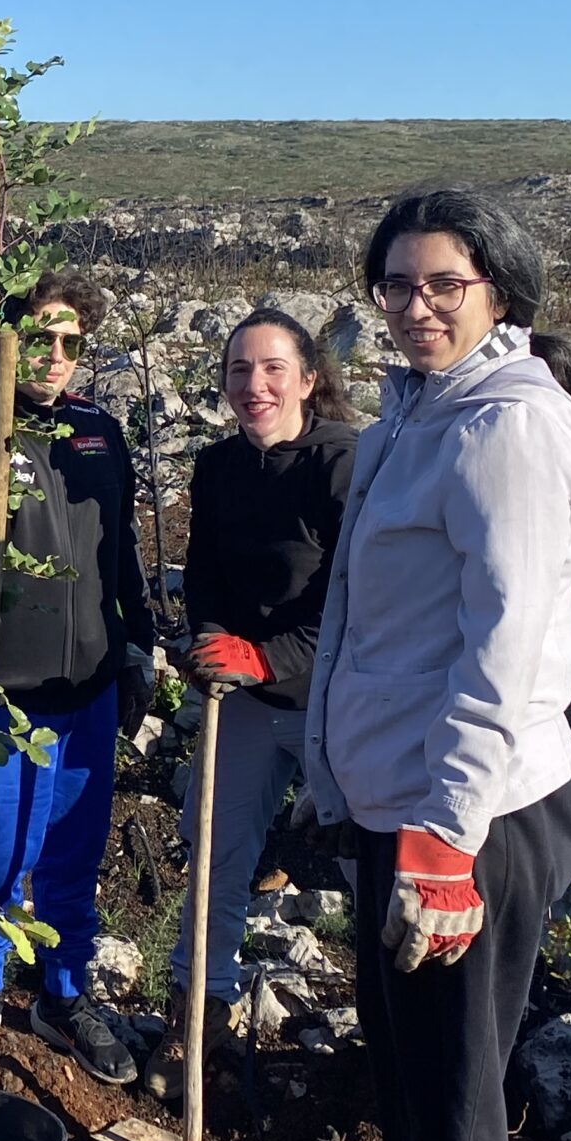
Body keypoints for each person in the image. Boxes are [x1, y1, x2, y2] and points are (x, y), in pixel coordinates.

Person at [290, 186, 571, 1141]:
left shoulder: (507, 430)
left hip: (469, 817)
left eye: (445, 283)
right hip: (408, 802)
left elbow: (509, 650)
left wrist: (444, 840)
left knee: (452, 1084)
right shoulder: (422, 409)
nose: (416, 305)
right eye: (395, 284)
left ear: (499, 291)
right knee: (406, 1064)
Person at [0, 270, 156, 1082]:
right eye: (39, 338)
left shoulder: (100, 431)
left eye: (71, 343)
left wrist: (137, 648)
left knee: (73, 854)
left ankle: (63, 996)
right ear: (7, 338)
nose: (55, 356)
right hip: (4, 691)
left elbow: (122, 554)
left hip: (89, 688)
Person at [154, 309, 361, 1077]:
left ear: (308, 379)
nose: (255, 385)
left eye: (274, 368)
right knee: (215, 851)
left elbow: (355, 601)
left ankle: (396, 1030)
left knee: (370, 862)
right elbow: (205, 573)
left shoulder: (343, 463)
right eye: (240, 370)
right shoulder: (218, 467)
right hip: (242, 695)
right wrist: (209, 642)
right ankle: (199, 1011)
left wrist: (266, 657)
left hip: (335, 698)